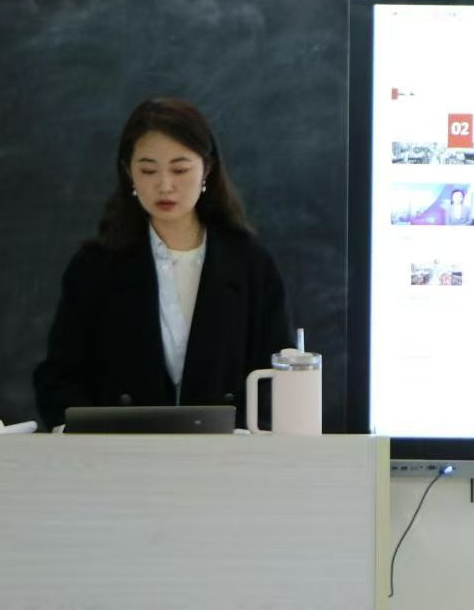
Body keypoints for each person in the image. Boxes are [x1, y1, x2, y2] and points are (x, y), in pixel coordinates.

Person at [33, 98, 294, 430]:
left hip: (227, 454)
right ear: (128, 172)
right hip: (120, 452)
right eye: (148, 170)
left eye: (180, 169)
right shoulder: (95, 266)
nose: (165, 185)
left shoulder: (249, 263)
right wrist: (83, 432)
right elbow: (59, 378)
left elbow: (276, 377)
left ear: (207, 169)